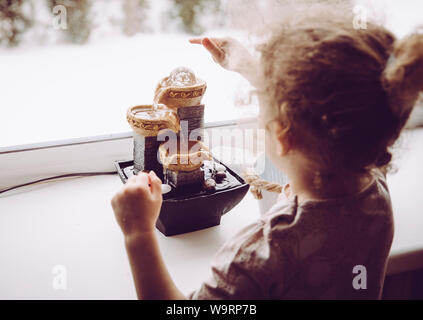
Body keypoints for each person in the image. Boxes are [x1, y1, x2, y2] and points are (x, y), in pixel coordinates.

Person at [111, 9, 423, 299]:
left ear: (283, 136)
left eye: (264, 107)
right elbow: (336, 118)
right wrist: (251, 68)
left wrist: (137, 233)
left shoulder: (259, 257)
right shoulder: (375, 192)